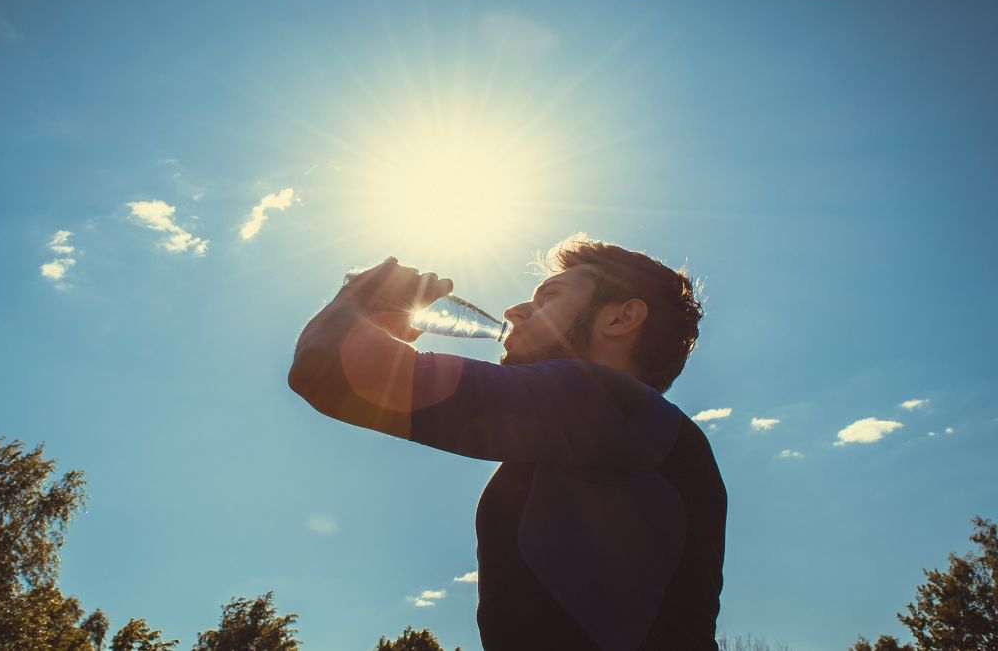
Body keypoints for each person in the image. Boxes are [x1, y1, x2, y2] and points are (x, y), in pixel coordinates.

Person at [288, 234, 726, 650]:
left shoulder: (605, 400)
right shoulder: (608, 427)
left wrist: (362, 299)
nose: (514, 311)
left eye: (549, 298)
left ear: (621, 318)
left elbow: (327, 368)